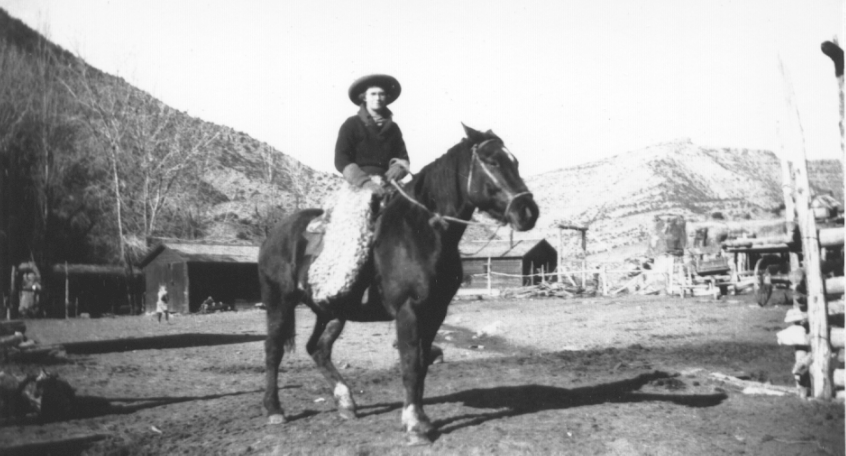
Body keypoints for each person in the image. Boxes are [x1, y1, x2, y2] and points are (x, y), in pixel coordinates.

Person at [335, 74, 410, 192]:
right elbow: (341, 159)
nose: (378, 98)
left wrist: (397, 170)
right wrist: (365, 183)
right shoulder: (351, 124)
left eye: (382, 94)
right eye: (373, 94)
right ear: (364, 97)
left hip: (388, 183)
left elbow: (403, 158)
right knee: (353, 210)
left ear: (386, 97)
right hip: (359, 185)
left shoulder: (394, 128)